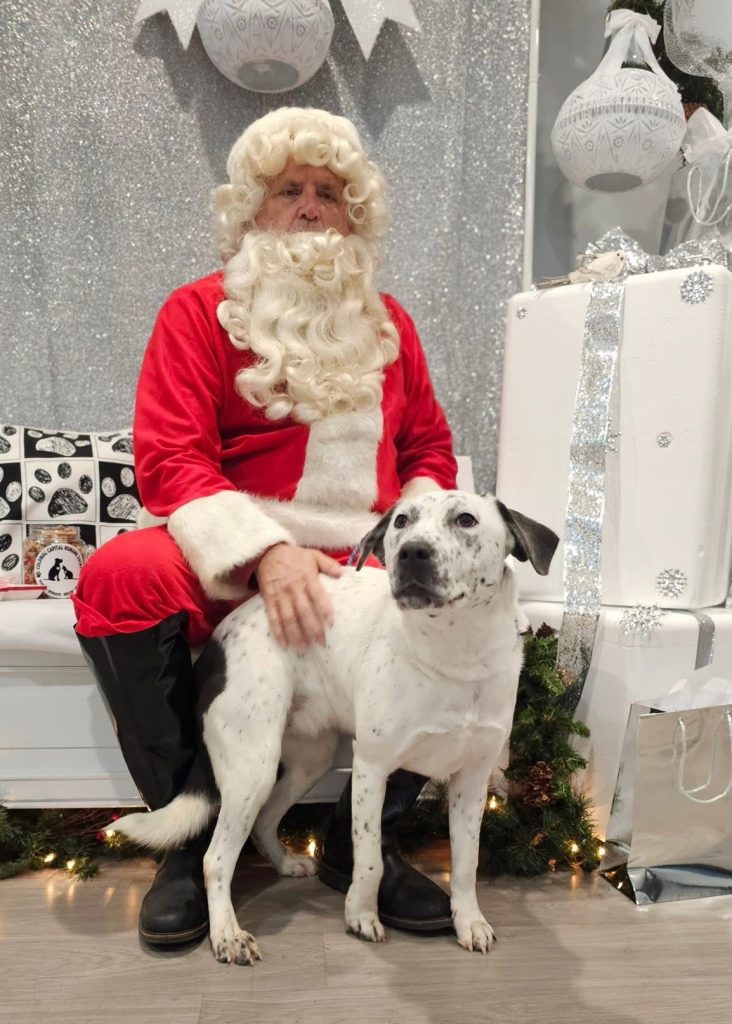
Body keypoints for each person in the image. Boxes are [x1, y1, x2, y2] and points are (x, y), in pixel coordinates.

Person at [73, 107, 458, 947]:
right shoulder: (198, 312)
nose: (311, 208)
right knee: (120, 578)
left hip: (362, 552)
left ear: (355, 214)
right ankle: (188, 845)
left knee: (466, 598)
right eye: (289, 191)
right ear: (253, 210)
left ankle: (363, 845)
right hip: (236, 543)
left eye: (329, 192)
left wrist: (408, 544)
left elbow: (428, 449)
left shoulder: (390, 325)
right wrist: (267, 554)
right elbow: (172, 457)